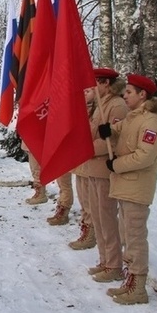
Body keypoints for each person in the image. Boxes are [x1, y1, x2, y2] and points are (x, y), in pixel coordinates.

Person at [98, 73, 157, 305]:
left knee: (135, 236)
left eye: (129, 92)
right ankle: (129, 280)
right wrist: (110, 130)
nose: (124, 95)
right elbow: (121, 128)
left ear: (142, 95)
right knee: (126, 233)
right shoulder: (134, 117)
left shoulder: (152, 122)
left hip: (137, 186)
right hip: (125, 186)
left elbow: (144, 156)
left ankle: (138, 287)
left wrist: (116, 165)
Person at [85, 68, 128, 282]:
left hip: (104, 169)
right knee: (98, 217)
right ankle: (104, 260)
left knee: (107, 218)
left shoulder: (117, 105)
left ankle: (114, 264)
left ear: (105, 83)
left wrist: (88, 148)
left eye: (96, 83)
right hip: (94, 168)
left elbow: (112, 139)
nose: (92, 87)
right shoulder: (101, 104)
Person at [68, 87, 97, 249]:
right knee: (84, 200)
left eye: (90, 89)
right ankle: (86, 230)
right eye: (84, 89)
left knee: (90, 202)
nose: (85, 92)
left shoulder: (99, 109)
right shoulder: (81, 107)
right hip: (80, 161)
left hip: (91, 162)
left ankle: (90, 234)